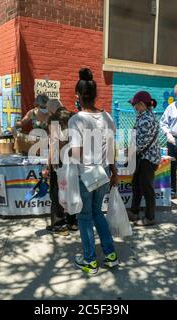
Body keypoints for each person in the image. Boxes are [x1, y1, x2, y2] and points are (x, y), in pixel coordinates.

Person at [68, 68, 119, 275]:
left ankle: (89, 260)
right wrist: (114, 171)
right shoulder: (106, 117)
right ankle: (111, 255)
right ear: (95, 94)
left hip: (86, 176)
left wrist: (66, 149)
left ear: (78, 95)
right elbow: (111, 147)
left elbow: (77, 152)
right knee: (98, 213)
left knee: (85, 217)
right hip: (104, 173)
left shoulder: (76, 120)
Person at [42, 99, 78, 235]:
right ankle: (72, 221)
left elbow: (53, 144)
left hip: (59, 161)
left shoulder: (54, 119)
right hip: (74, 159)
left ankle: (58, 224)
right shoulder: (73, 116)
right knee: (72, 189)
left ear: (51, 110)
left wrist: (47, 166)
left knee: (56, 191)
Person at [127, 91, 161, 227]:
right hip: (144, 157)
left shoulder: (147, 119)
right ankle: (134, 211)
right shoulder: (143, 116)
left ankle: (150, 217)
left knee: (147, 188)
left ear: (141, 104)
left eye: (135, 105)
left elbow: (141, 143)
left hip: (148, 158)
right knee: (136, 184)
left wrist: (129, 152)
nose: (134, 107)